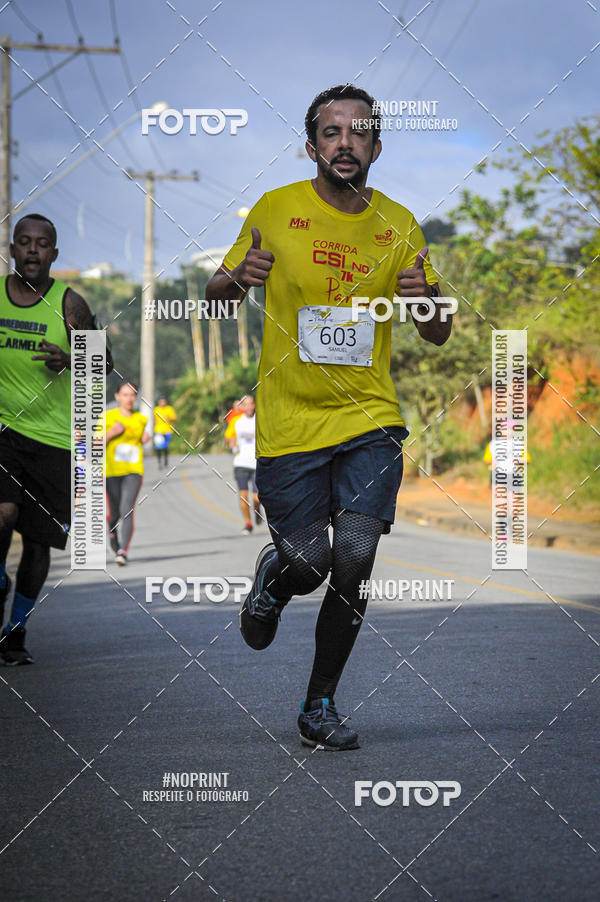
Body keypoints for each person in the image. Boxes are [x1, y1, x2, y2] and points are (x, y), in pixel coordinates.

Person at [206, 84, 453, 749]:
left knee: (356, 557)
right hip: (290, 421)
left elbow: (436, 331)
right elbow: (214, 295)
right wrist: (239, 277)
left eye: (359, 131)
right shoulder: (276, 208)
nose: (346, 143)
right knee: (311, 563)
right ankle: (276, 578)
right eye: (331, 132)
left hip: (370, 417)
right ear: (311, 145)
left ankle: (320, 704)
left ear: (377, 145)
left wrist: (427, 300)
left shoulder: (400, 225)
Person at [0, 213, 113, 665]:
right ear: (12, 249)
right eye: (24, 242)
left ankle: (15, 631)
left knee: (37, 543)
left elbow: (105, 363)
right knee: (3, 513)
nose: (32, 250)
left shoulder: (70, 304)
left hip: (53, 440)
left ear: (54, 253)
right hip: (4, 431)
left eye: (41, 243)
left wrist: (70, 359)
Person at [101, 382, 150, 566]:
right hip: (111, 472)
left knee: (126, 509)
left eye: (132, 395)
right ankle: (112, 532)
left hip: (133, 471)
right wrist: (111, 433)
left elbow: (137, 440)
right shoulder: (107, 417)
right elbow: (95, 445)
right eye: (125, 394)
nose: (129, 398)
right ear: (117, 396)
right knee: (114, 513)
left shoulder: (141, 419)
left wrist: (144, 439)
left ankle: (123, 551)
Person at [225, 394, 263, 533]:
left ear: (254, 405)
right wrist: (230, 442)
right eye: (245, 404)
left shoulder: (260, 420)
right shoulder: (236, 421)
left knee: (256, 497)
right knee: (243, 495)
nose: (249, 407)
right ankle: (248, 523)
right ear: (242, 406)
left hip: (256, 463)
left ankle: (257, 510)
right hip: (241, 462)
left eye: (251, 404)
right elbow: (228, 437)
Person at [153, 396, 177, 469]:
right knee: (158, 446)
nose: (163, 403)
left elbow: (174, 419)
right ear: (159, 402)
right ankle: (159, 462)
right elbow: (153, 419)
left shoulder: (169, 409)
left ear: (166, 402)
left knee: (165, 446)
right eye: (161, 401)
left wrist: (169, 419)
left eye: (164, 401)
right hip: (158, 431)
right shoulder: (156, 409)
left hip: (167, 431)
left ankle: (166, 460)